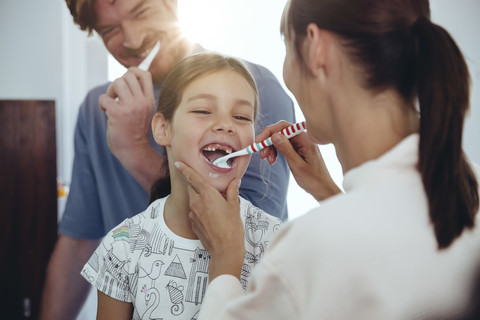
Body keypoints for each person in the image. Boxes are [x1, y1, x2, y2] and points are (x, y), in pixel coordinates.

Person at [175, 0, 480, 318]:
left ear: (316, 48)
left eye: (286, 46)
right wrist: (328, 193)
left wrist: (224, 260)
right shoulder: (467, 189)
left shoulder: (307, 253)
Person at [40, 0, 294, 319]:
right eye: (110, 30)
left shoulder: (253, 87)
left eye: (141, 12)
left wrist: (134, 148)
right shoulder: (97, 111)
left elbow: (239, 227)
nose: (132, 40)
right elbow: (78, 241)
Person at [80, 52, 283, 320]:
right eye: (202, 110)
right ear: (163, 129)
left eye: (242, 117)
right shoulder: (122, 248)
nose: (225, 125)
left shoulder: (277, 243)